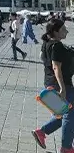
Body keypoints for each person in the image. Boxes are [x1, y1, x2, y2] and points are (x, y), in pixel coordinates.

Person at [32, 19, 74, 152]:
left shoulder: (46, 44)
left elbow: (44, 59)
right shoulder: (57, 46)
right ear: (55, 32)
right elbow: (56, 67)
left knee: (62, 114)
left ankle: (41, 132)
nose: (66, 31)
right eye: (63, 29)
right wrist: (62, 88)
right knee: (69, 114)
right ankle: (66, 147)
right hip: (61, 86)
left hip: (49, 84)